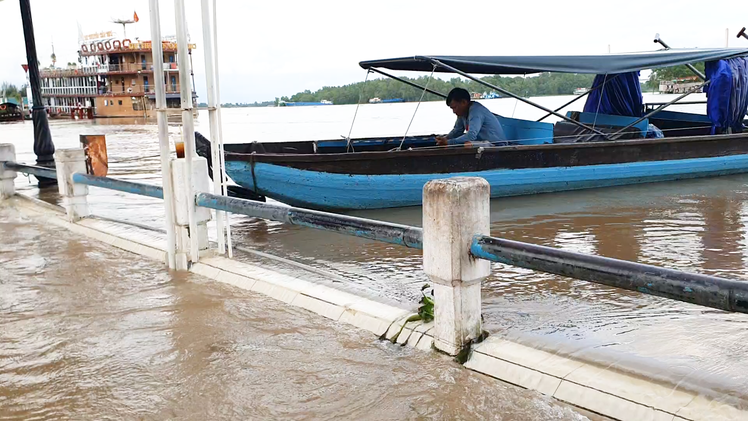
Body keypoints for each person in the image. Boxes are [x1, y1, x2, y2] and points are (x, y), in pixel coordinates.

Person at [435, 88, 506, 148]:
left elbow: (471, 136)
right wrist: (445, 138)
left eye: (455, 107)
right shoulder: (462, 113)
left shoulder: (476, 111)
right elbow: (457, 130)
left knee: (468, 144)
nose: (454, 111)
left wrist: (449, 142)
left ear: (464, 102)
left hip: (496, 145)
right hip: (482, 142)